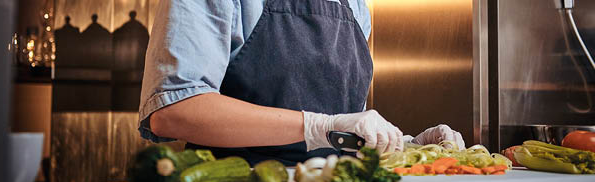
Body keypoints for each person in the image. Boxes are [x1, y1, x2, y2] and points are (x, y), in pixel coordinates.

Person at [138, 0, 465, 165]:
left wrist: (403, 147)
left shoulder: (353, 5)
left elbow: (345, 129)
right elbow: (173, 110)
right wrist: (318, 126)